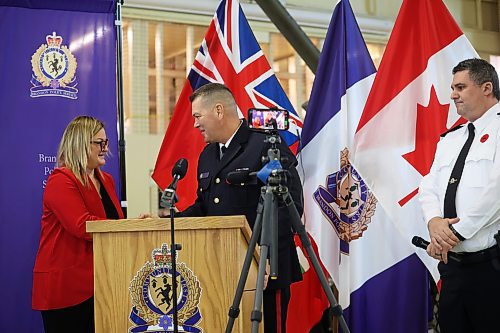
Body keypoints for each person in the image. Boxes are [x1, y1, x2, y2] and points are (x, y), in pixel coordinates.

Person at [178, 83, 303, 332]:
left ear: (219, 110)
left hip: (266, 270)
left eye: (197, 116)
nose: (195, 124)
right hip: (222, 266)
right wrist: (169, 220)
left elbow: (288, 206)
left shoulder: (266, 144)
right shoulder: (207, 155)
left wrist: (265, 256)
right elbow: (205, 208)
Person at [419, 58, 500, 333]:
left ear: (487, 87)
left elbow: (496, 193)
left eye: (461, 87)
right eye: (453, 87)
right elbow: (428, 186)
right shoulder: (450, 139)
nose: (453, 94)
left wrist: (452, 235)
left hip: (492, 267)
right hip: (453, 269)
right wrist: (434, 223)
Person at [32, 116, 126, 333]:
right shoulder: (61, 179)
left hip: (101, 283)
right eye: (99, 143)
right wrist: (125, 228)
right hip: (67, 289)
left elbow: (113, 222)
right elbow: (82, 225)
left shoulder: (107, 180)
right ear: (81, 143)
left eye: (106, 142)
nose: (105, 148)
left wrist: (131, 225)